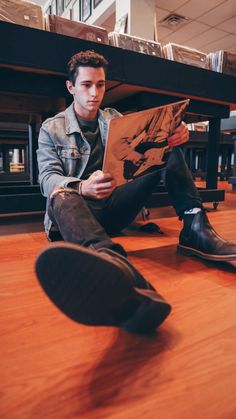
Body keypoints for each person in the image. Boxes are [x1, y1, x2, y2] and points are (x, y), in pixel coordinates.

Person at [36, 50, 236, 335]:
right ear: (71, 87)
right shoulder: (51, 128)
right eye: (86, 84)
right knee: (59, 193)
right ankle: (114, 267)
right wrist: (82, 186)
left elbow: (145, 151)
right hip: (76, 215)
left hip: (115, 208)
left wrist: (171, 137)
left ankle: (196, 230)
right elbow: (46, 178)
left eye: (101, 85)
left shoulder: (114, 118)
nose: (95, 93)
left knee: (166, 150)